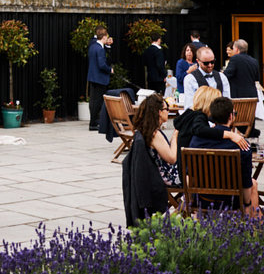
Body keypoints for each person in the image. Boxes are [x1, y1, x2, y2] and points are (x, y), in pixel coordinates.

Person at [189, 97, 260, 217]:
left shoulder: (196, 141)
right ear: (231, 117)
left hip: (203, 199)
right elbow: (246, 182)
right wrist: (247, 204)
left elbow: (190, 174)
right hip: (231, 200)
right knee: (252, 184)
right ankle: (253, 223)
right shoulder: (241, 144)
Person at [122, 94, 174, 225]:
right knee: (198, 180)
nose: (168, 112)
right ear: (159, 112)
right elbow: (172, 158)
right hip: (164, 177)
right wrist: (176, 136)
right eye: (167, 109)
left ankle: (185, 210)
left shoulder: (144, 131)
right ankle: (189, 212)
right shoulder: (155, 134)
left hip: (156, 174)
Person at [174, 86, 248, 167]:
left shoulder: (189, 115)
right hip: (188, 167)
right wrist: (229, 134)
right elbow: (200, 129)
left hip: (184, 167)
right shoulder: (199, 117)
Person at [87, 28, 114, 130]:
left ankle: (93, 121)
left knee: (93, 101)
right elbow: (102, 65)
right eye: (106, 37)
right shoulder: (100, 49)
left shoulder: (92, 46)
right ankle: (94, 123)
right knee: (98, 101)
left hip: (92, 77)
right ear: (104, 37)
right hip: (100, 78)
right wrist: (110, 69)